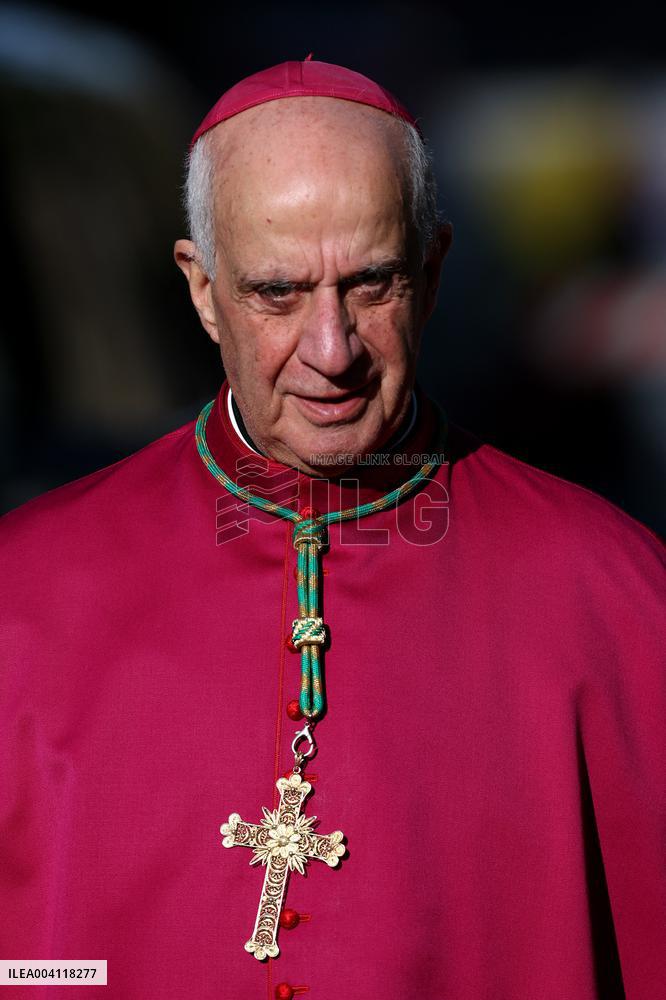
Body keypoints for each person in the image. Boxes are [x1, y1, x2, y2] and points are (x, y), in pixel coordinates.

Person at [1, 57, 664, 1000]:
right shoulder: (21, 598)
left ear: (431, 274)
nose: (330, 351)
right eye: (276, 292)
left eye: (371, 284)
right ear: (201, 289)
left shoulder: (621, 597)